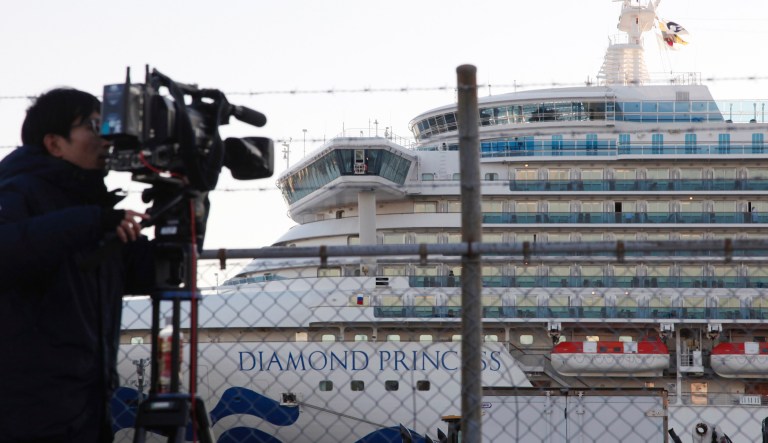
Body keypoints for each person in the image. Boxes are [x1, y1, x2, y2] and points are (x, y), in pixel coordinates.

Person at [0, 88, 153, 442]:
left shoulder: (96, 212)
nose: (106, 139)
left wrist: (190, 201)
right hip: (27, 416)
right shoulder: (19, 193)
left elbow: (153, 271)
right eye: (94, 126)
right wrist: (91, 221)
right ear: (54, 144)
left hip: (86, 409)